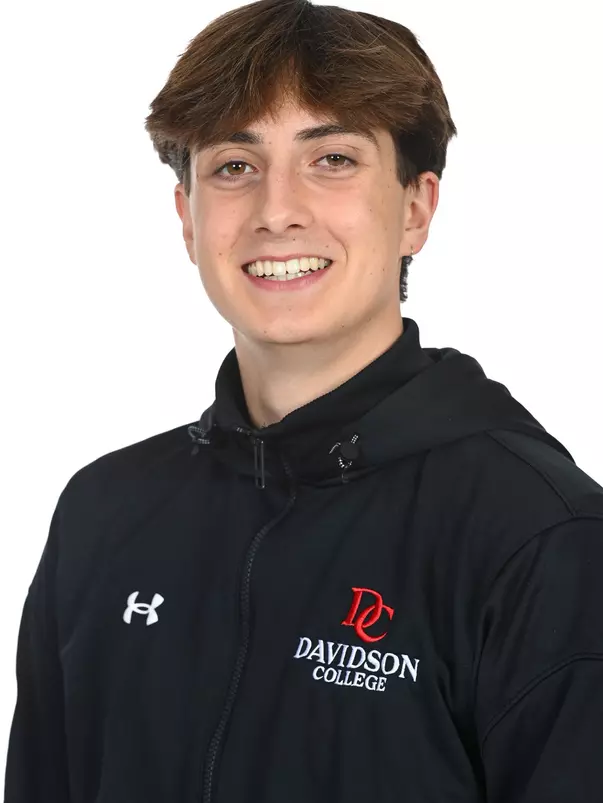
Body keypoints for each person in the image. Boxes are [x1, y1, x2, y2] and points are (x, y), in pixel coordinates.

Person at [5, 0, 603, 800]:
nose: (277, 210)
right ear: (187, 218)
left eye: (332, 159)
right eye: (233, 166)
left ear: (416, 209)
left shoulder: (540, 538)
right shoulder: (103, 513)